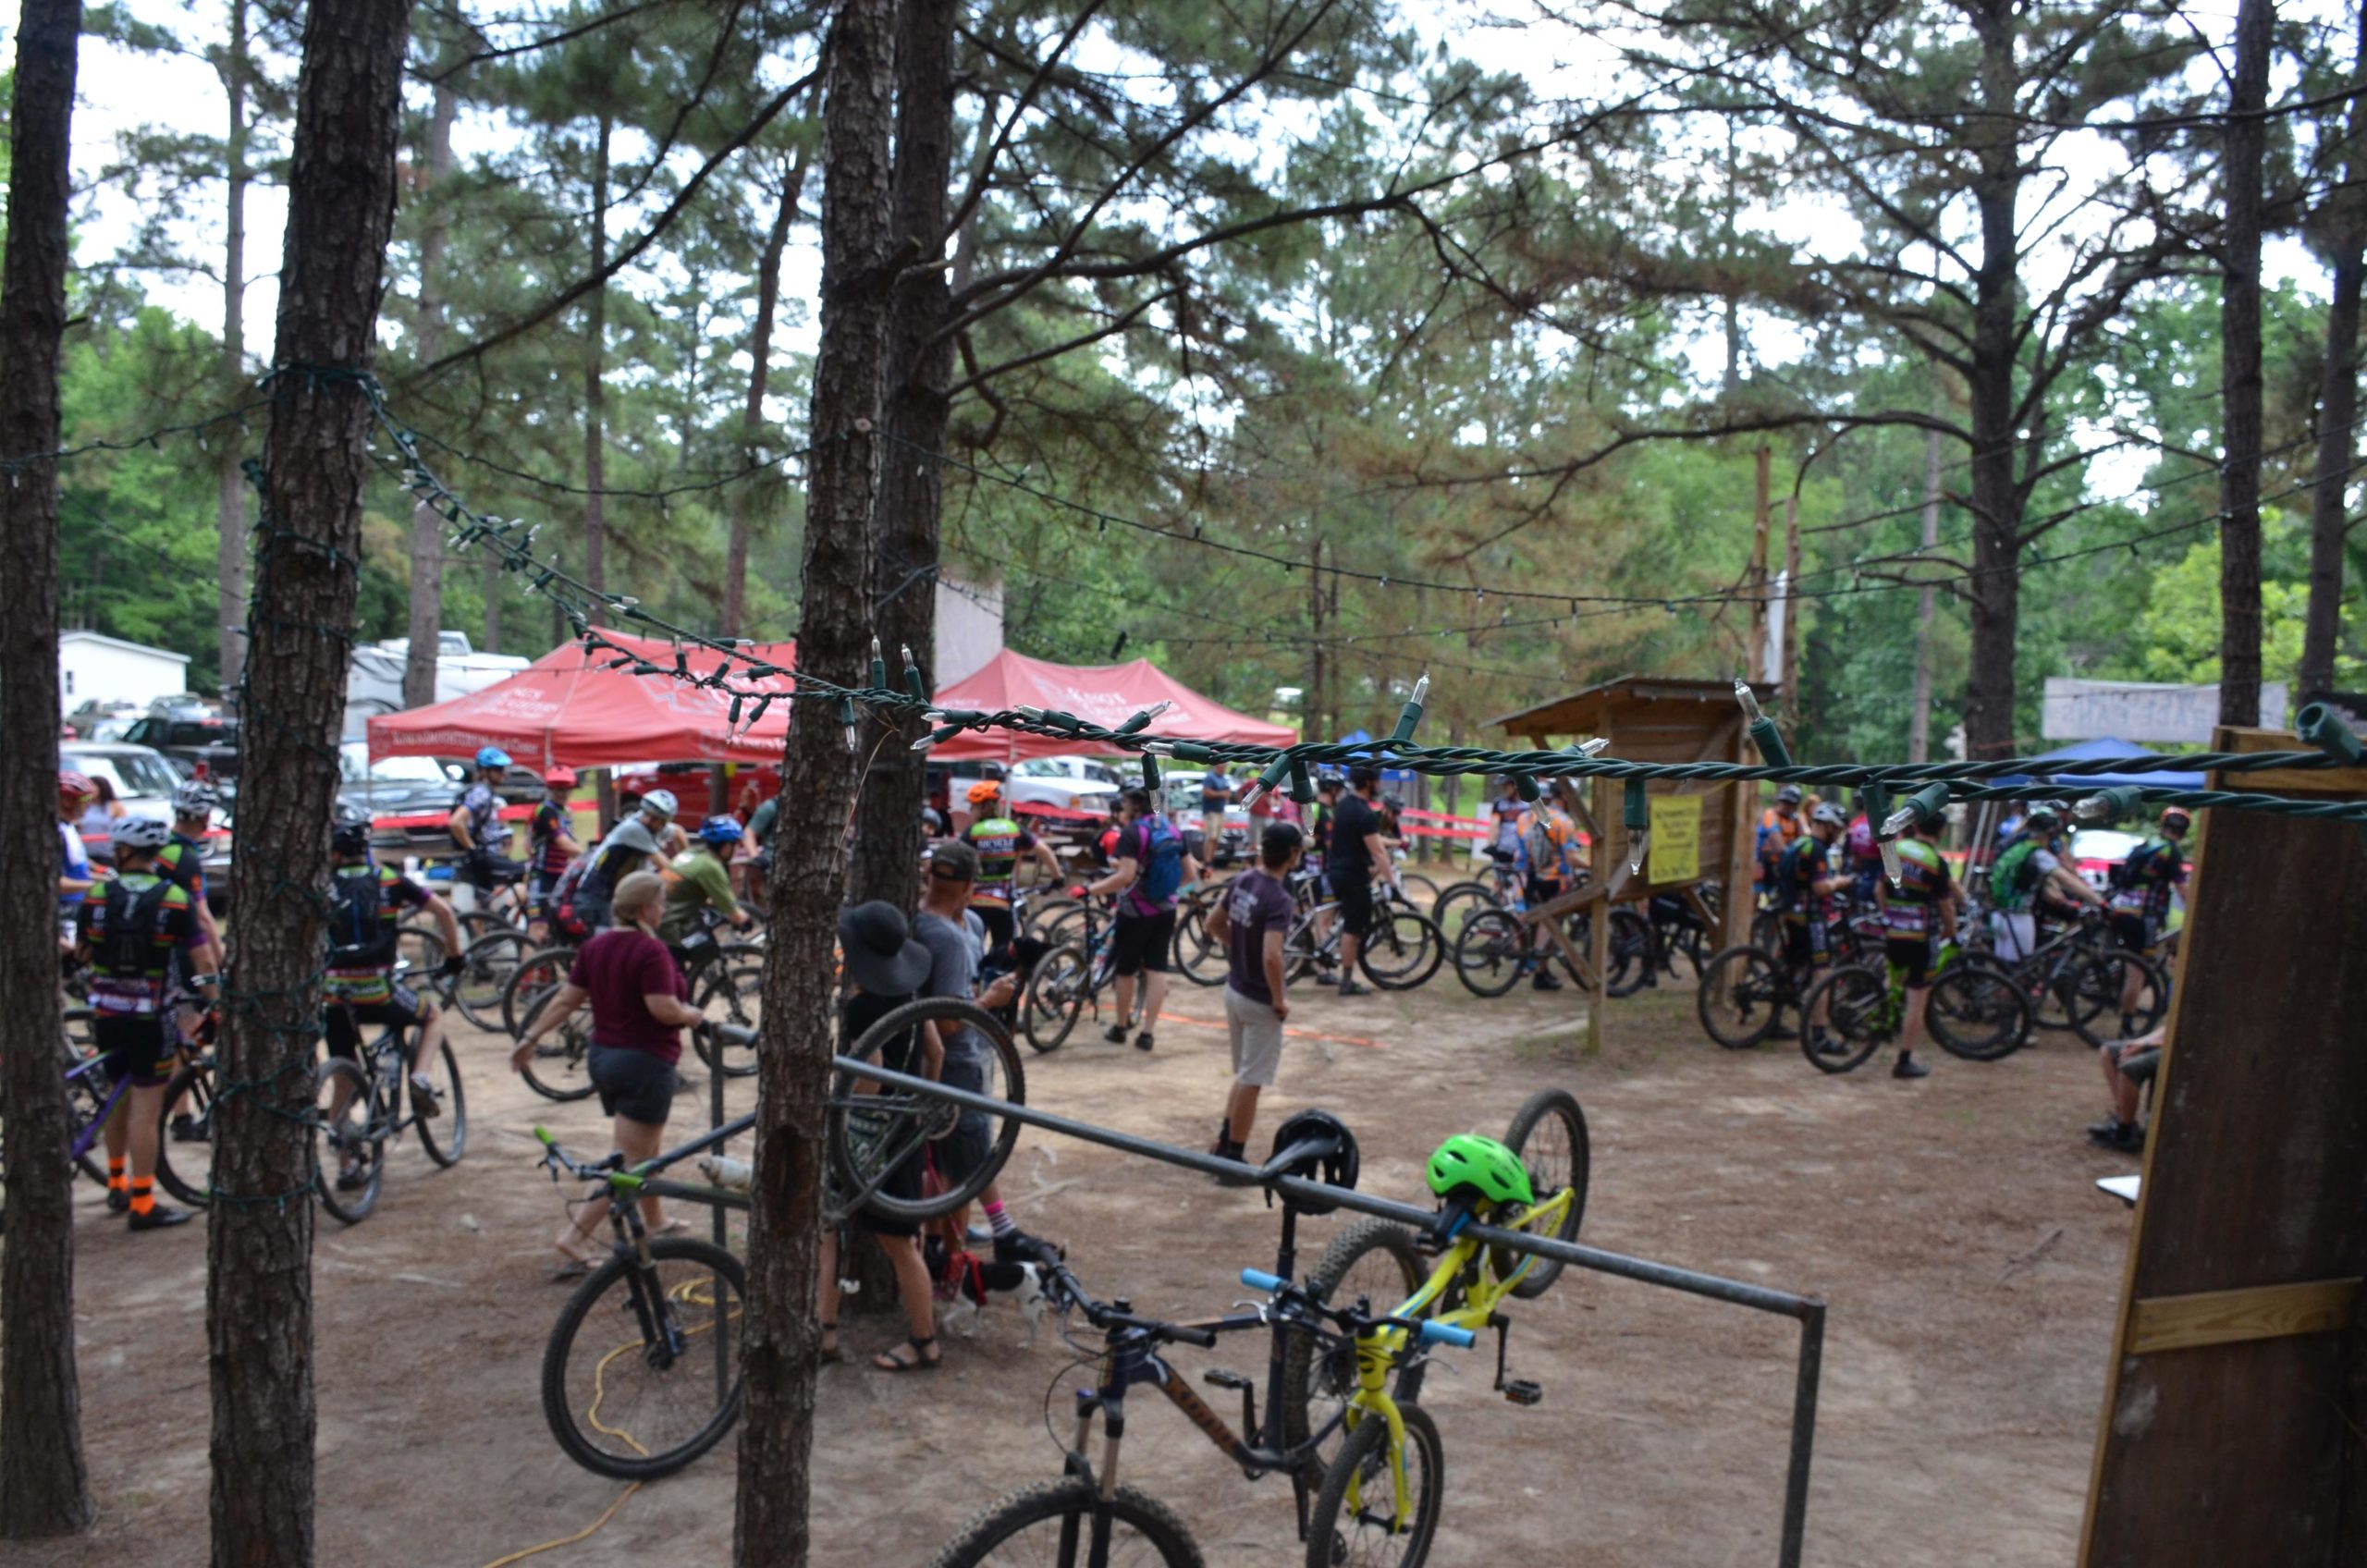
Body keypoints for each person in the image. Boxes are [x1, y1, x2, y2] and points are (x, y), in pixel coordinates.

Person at [513, 871, 707, 1271]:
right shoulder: (650, 952)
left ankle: (655, 1219)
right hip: (644, 1063)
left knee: (644, 1147)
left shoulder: (595, 946)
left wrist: (530, 1036)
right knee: (630, 1160)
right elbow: (662, 1008)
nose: (664, 909)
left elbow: (567, 1000)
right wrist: (693, 1015)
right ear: (643, 908)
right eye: (660, 903)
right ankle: (575, 1235)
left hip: (604, 1059)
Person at [912, 842, 1049, 1280]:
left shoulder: (960, 922)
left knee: (958, 1157)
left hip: (963, 1055)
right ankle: (951, 1265)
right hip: (954, 1062)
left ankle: (965, 1236)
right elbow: (949, 1023)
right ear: (971, 885)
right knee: (962, 1166)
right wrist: (988, 1001)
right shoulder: (946, 937)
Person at [817, 901, 944, 1369]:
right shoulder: (911, 995)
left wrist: (846, 1086)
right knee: (899, 1242)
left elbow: (869, 1078)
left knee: (833, 1230)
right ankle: (910, 1336)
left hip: (867, 1138)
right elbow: (936, 1051)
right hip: (906, 1130)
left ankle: (918, 1340)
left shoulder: (861, 1006)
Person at [75, 815, 198, 1230]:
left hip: (106, 1013)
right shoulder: (174, 896)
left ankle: (116, 1182)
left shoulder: (95, 894)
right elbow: (202, 957)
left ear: (123, 851)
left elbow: (84, 954)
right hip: (152, 1017)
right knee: (146, 1109)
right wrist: (213, 1002)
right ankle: (143, 1203)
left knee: (117, 1098)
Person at [322, 804, 464, 1161]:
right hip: (378, 990)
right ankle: (419, 1077)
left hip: (335, 996)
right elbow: (444, 912)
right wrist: (454, 956)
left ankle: (346, 1163)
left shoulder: (324, 887)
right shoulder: (388, 879)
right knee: (431, 1016)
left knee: (345, 1072)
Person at [1203, 821, 1301, 1163]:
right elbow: (1272, 956)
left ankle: (1224, 1139)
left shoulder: (1244, 880)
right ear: (1293, 854)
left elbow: (1212, 924)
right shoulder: (1280, 899)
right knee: (1252, 1080)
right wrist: (1278, 999)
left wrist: (1238, 945)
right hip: (1259, 999)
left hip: (1234, 990)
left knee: (1245, 1075)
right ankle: (1233, 1153)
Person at [1087, 787, 1200, 1051]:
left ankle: (1120, 1027)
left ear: (1135, 804)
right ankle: (1147, 1033)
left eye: (1126, 801)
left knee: (1125, 971)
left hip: (1134, 912)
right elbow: (1190, 875)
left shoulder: (1132, 832)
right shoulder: (1172, 829)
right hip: (1166, 910)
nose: (1123, 805)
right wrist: (1166, 892)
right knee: (1157, 970)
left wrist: (1091, 890)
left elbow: (1125, 876)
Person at [1870, 811, 1956, 1080]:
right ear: (1941, 832)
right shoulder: (1935, 862)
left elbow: (1879, 889)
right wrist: (1951, 933)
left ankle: (1880, 1020)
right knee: (1917, 1000)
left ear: (1916, 825)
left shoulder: (1895, 849)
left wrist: (1889, 914)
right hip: (1921, 939)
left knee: (1893, 977)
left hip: (1894, 932)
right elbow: (1946, 906)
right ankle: (1904, 1059)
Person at [2106, 807, 2190, 1035]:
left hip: (2120, 908)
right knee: (2138, 970)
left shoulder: (2145, 845)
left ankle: (2112, 984)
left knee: (2126, 959)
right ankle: (2126, 1024)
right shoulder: (2171, 852)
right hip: (2144, 915)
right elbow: (2183, 888)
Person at [961, 780, 1061, 964]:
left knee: (972, 954)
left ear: (982, 808)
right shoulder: (1014, 829)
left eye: (972, 807)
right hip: (1002, 904)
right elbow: (1045, 851)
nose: (970, 811)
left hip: (973, 905)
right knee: (1003, 954)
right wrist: (1057, 877)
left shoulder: (971, 833)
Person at [1986, 805, 2103, 961]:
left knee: (2004, 969)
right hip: (2019, 918)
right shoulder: (2039, 854)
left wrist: (2061, 900)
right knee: (2018, 972)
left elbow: (2042, 883)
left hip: (2000, 915)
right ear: (2051, 833)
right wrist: (2099, 901)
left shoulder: (2019, 849)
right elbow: (2068, 881)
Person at [1779, 803, 1850, 1052]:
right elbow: (1820, 888)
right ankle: (1819, 1034)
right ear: (1829, 827)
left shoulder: (1800, 843)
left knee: (1791, 966)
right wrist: (1840, 882)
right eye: (1837, 831)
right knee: (1823, 973)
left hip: (1791, 913)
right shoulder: (1817, 850)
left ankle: (1776, 1019)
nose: (1838, 836)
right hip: (1811, 918)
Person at [1326, 766, 1395, 998]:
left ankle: (1321, 963)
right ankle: (1346, 981)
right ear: (1368, 782)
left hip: (1336, 870)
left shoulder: (1344, 805)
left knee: (1336, 920)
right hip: (1353, 877)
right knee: (1352, 930)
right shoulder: (1364, 813)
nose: (1379, 786)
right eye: (1377, 781)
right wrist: (1392, 883)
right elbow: (1378, 852)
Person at [570, 788, 679, 933]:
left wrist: (685, 852)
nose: (647, 819)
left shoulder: (652, 825)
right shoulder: (635, 829)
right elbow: (665, 865)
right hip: (596, 896)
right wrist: (685, 880)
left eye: (655, 818)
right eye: (647, 814)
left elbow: (678, 832)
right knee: (609, 946)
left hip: (611, 894)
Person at [1514, 791, 1581, 991]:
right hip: (1555, 881)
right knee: (1551, 924)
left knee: (1527, 920)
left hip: (1527, 879)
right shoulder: (1563, 821)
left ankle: (1526, 963)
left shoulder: (1523, 819)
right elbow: (1570, 858)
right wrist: (1593, 866)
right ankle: (1540, 967)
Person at [658, 815, 753, 944]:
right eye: (735, 844)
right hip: (667, 925)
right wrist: (746, 921)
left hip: (656, 913)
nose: (736, 848)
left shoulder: (691, 853)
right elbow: (734, 913)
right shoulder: (710, 866)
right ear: (726, 847)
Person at [447, 745, 519, 905]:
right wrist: (472, 849)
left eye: (503, 769)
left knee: (482, 905)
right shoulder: (482, 793)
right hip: (483, 857)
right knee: (524, 871)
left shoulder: (486, 793)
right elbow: (456, 822)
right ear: (484, 771)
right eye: (498, 769)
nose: (503, 773)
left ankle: (493, 919)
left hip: (488, 855)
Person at [2089, 1023, 2164, 1154]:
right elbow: (2169, 1027)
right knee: (2108, 1051)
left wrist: (2146, 1046)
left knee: (2130, 1068)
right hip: (2161, 1044)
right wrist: (2138, 1042)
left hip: (2178, 1048)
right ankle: (2122, 1117)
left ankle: (2125, 1132)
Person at [528, 767, 581, 937]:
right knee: (538, 928)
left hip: (561, 876)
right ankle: (529, 963)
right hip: (543, 876)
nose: (562, 793)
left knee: (557, 928)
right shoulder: (546, 811)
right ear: (549, 789)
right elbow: (564, 844)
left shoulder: (565, 812)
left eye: (566, 789)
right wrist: (591, 855)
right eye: (558, 789)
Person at [56, 770, 100, 950]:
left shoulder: (69, 827)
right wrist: (95, 885)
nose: (88, 806)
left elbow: (77, 870)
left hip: (79, 907)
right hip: (65, 912)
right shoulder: (56, 832)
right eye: (84, 801)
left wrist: (103, 876)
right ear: (67, 801)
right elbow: (56, 882)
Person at [1754, 785, 1806, 899]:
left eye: (1790, 804)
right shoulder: (1770, 815)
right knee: (1756, 896)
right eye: (1784, 802)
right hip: (1764, 864)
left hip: (1782, 866)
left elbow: (1805, 840)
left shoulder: (1796, 819)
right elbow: (1778, 844)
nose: (1786, 806)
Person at [1197, 763, 1233, 864]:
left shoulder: (1224, 779)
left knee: (1217, 838)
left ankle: (1211, 859)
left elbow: (1228, 793)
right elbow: (1206, 792)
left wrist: (1224, 795)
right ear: (1218, 766)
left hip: (1220, 811)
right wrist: (1221, 794)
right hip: (1210, 811)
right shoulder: (1210, 777)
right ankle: (1207, 861)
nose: (1225, 768)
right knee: (1211, 836)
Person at [78, 775, 127, 840]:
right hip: (85, 846)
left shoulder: (115, 806)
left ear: (102, 788)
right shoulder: (82, 804)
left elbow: (123, 828)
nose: (88, 789)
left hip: (107, 847)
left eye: (92, 786)